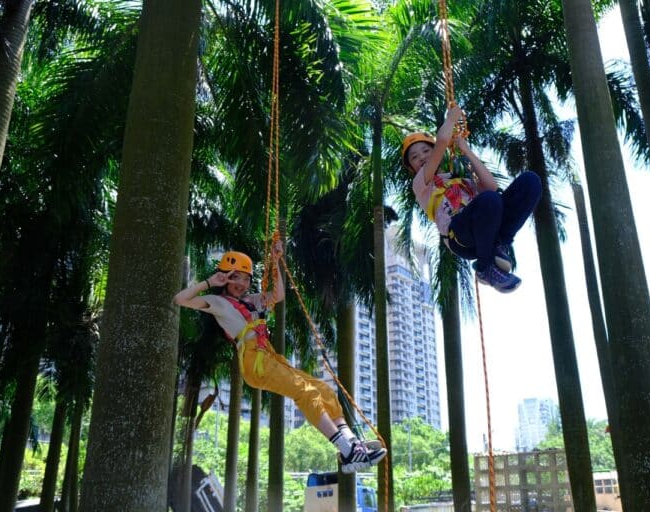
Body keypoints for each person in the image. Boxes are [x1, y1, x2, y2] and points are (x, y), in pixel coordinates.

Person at [173, 242, 386, 474]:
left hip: (269, 356)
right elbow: (180, 300)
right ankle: (346, 449)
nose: (241, 283)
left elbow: (278, 295)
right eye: (235, 277)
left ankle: (352, 445)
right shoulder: (217, 303)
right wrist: (209, 283)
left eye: (245, 278)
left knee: (322, 390)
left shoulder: (252, 300)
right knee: (305, 392)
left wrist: (275, 263)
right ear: (225, 277)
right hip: (254, 361)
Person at [404, 105, 542, 292]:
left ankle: (499, 244)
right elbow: (443, 141)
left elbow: (492, 186)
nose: (421, 156)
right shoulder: (422, 184)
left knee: (530, 182)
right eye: (414, 156)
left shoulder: (459, 177)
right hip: (460, 237)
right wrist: (451, 119)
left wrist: (466, 150)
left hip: (485, 225)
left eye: (426, 151)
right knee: (489, 200)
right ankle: (485, 267)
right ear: (412, 167)